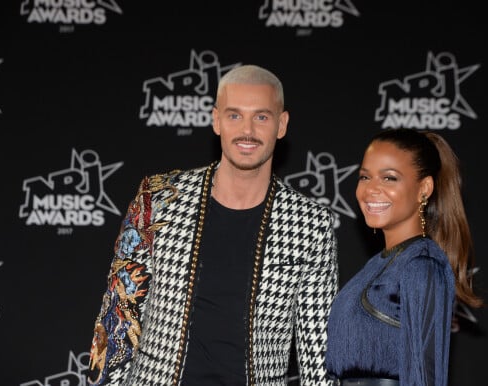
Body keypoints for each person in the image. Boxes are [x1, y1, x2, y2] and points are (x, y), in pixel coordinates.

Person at [86, 64, 338, 386]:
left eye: (261, 117)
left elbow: (319, 353)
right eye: (235, 115)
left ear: (282, 124)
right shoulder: (158, 198)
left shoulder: (309, 223)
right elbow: (118, 316)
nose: (247, 130)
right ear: (216, 120)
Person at [325, 128, 483, 386]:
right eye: (365, 177)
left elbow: (425, 377)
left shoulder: (422, 264)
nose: (371, 189)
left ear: (424, 188)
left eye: (389, 178)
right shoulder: (380, 264)